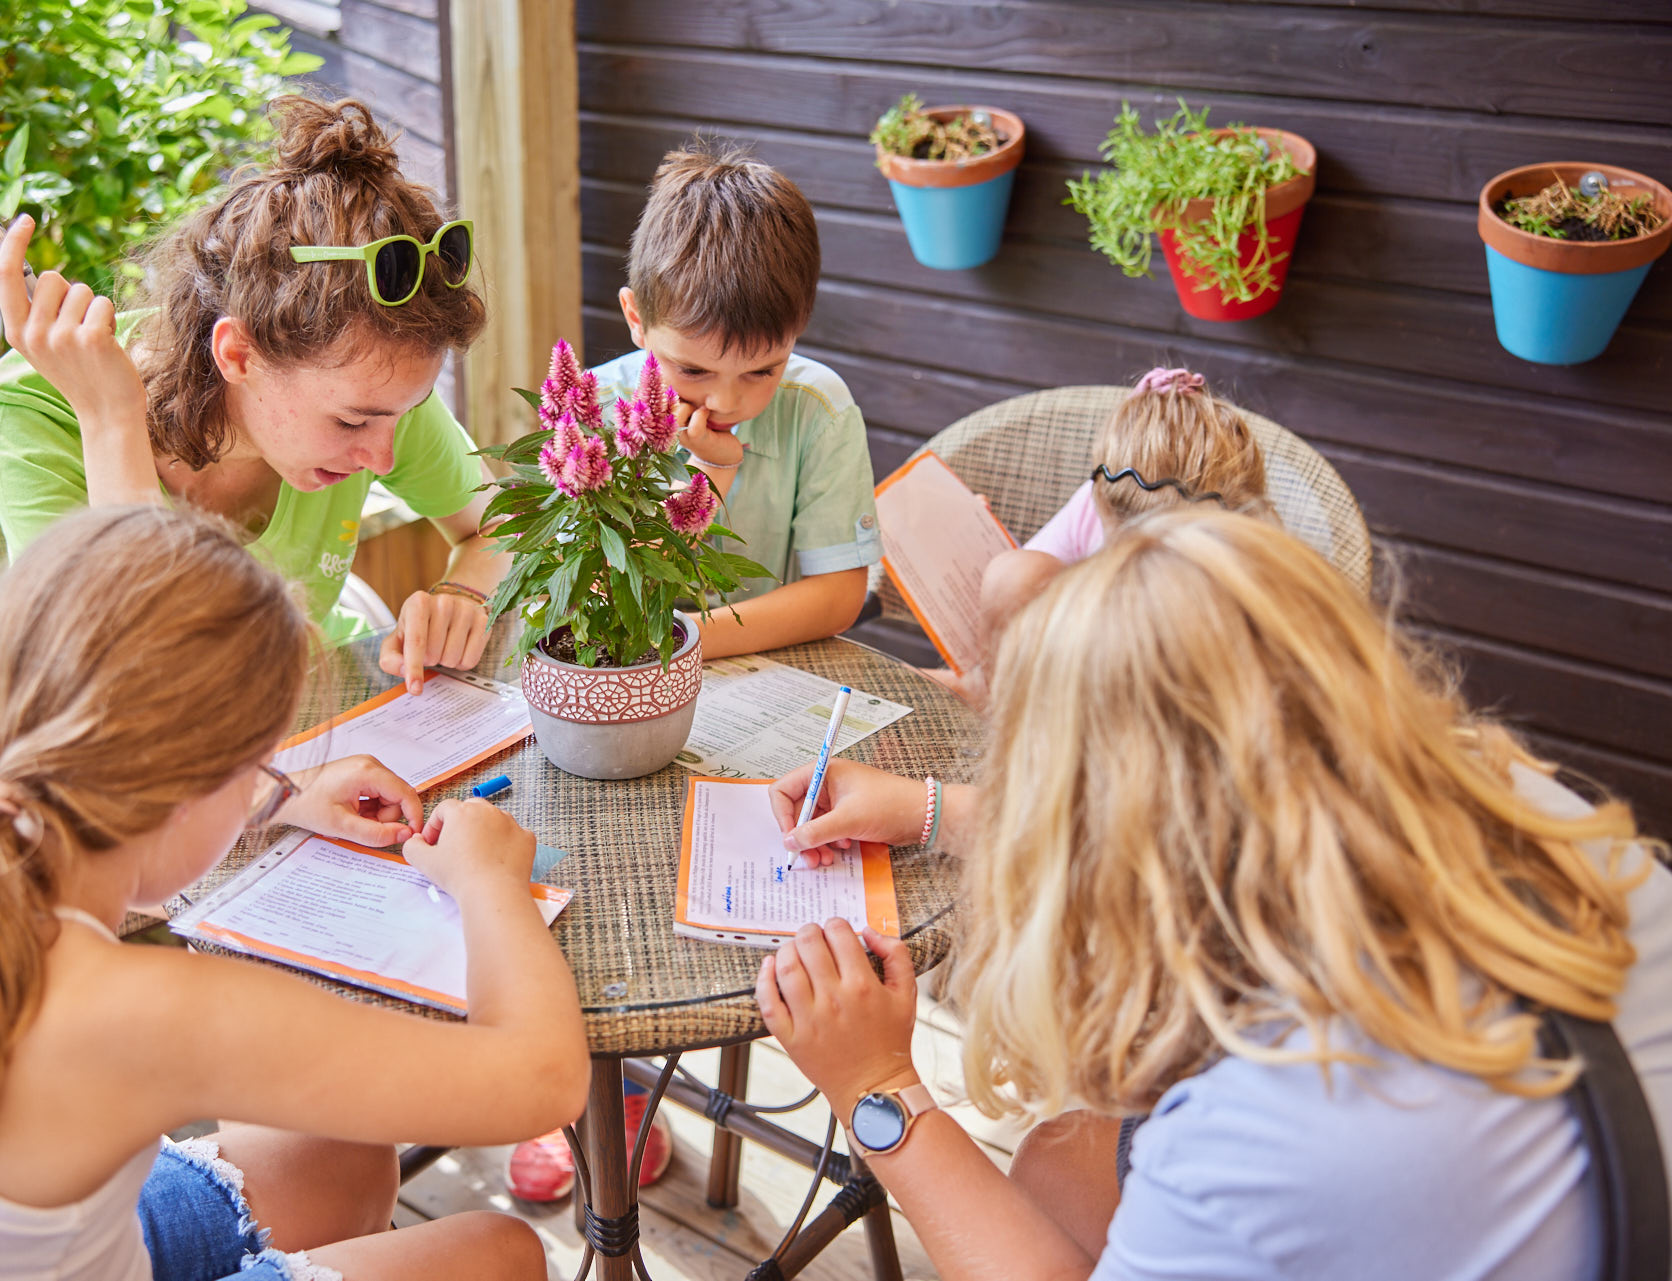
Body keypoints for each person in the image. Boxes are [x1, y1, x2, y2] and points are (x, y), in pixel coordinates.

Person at [758, 509, 1672, 1280]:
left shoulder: (1274, 1124)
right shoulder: (1506, 795)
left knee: (1064, 1157)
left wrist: (879, 1091)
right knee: (1063, 1161)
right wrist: (928, 809)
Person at [0, 506, 588, 1279]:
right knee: (498, 1252)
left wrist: (280, 796)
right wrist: (491, 884)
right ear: (184, 786)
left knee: (330, 1146)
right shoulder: (147, 1009)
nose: (268, 787)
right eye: (261, 770)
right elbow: (544, 1081)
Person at [0, 95, 501, 694]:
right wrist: (111, 418)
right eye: (351, 424)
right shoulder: (32, 414)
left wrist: (464, 591)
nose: (383, 457)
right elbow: (141, 686)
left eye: (400, 416)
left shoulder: (378, 392)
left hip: (328, 710)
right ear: (237, 354)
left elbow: (497, 526)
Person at [590, 140, 883, 661]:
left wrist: (679, 647)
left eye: (762, 371)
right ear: (637, 320)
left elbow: (838, 596)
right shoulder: (596, 411)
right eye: (693, 370)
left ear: (796, 334)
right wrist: (706, 475)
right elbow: (599, 595)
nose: (725, 400)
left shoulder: (818, 409)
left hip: (770, 671)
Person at [964, 366, 1269, 698]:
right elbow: (1022, 580)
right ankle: (986, 696)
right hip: (1065, 680)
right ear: (1101, 495)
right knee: (1013, 572)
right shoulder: (1094, 502)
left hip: (1171, 707)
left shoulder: (1254, 573)